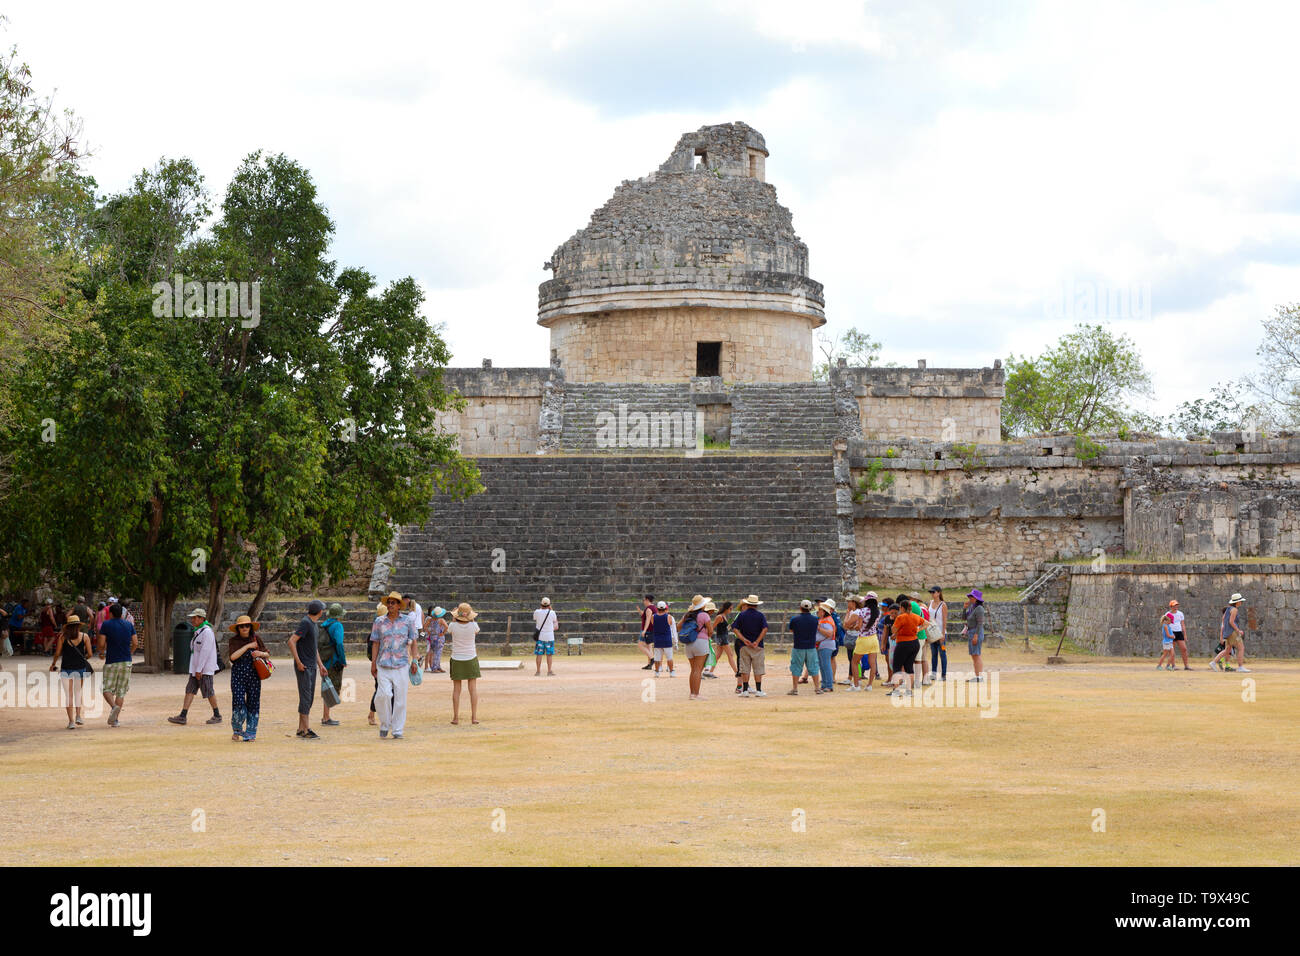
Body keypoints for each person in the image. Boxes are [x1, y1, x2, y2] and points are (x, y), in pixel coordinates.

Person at [370, 591, 419, 738]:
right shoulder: (379, 621)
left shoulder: (407, 621)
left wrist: (415, 660)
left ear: (399, 606)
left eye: (393, 603)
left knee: (400, 699)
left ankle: (397, 730)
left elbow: (414, 641)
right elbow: (375, 643)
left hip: (402, 664)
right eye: (388, 603)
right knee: (383, 695)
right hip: (383, 663)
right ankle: (385, 724)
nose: (390, 605)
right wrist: (373, 664)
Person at [168, 608, 223, 725]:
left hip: (204, 669)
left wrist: (199, 669)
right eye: (192, 617)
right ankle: (183, 715)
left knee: (208, 691)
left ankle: (217, 715)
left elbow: (205, 652)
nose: (192, 620)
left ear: (201, 618)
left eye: (194, 617)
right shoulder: (199, 631)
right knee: (190, 690)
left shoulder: (207, 632)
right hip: (196, 668)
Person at [287, 599, 328, 739]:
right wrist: (298, 662)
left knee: (308, 697)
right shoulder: (306, 623)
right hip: (304, 666)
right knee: (306, 697)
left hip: (311, 665)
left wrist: (320, 665)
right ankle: (306, 729)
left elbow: (314, 647)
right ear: (320, 611)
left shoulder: (314, 625)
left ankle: (300, 728)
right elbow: (291, 641)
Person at [227, 615, 269, 741]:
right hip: (238, 676)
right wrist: (248, 646)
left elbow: (267, 653)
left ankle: (251, 732)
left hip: (254, 676)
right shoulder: (233, 641)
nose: (244, 628)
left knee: (253, 703)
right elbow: (232, 657)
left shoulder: (257, 638)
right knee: (238, 703)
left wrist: (260, 653)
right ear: (238, 628)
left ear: (250, 627)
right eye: (241, 626)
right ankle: (237, 729)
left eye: (247, 625)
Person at [97, 602, 137, 726]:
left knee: (106, 689)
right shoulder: (129, 625)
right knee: (121, 692)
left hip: (112, 661)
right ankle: (115, 720)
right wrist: (130, 653)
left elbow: (102, 644)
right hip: (126, 661)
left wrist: (101, 652)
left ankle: (114, 707)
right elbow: (135, 643)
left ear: (111, 613)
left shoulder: (106, 624)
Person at [50, 615, 92, 729]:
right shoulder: (85, 636)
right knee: (78, 692)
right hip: (80, 668)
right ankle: (78, 715)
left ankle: (71, 722)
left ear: (67, 627)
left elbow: (57, 653)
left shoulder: (62, 637)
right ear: (79, 625)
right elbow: (90, 654)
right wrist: (82, 659)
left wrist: (53, 664)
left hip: (66, 669)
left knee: (68, 695)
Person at [447, 602, 482, 725]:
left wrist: (454, 618)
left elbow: (450, 630)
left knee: (457, 689)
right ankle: (474, 717)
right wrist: (470, 620)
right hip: (470, 657)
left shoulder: (452, 625)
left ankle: (455, 717)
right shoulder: (473, 626)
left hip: (457, 658)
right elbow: (476, 630)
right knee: (472, 689)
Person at [887, 595, 925, 697]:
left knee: (897, 666)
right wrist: (918, 629)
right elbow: (926, 623)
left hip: (903, 643)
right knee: (909, 667)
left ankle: (896, 690)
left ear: (902, 608)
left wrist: (896, 627)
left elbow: (893, 630)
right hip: (914, 642)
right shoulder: (915, 617)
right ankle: (909, 691)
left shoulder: (901, 617)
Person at [678, 595, 713, 700]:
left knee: (693, 670)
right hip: (701, 642)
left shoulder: (687, 615)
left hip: (689, 643)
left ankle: (692, 693)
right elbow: (710, 630)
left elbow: (678, 627)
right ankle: (696, 694)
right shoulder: (704, 615)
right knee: (698, 670)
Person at [733, 594, 768, 697]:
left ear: (747, 604)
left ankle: (744, 690)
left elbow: (734, 628)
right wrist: (757, 641)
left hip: (744, 645)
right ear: (756, 605)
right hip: (758, 646)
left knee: (745, 668)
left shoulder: (742, 615)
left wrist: (743, 639)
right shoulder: (760, 615)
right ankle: (758, 690)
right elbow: (765, 629)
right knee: (758, 668)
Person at [319, 603, 347, 725]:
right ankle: (326, 717)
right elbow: (339, 644)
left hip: (324, 659)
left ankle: (325, 715)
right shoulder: (337, 626)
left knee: (326, 686)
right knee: (332, 687)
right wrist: (343, 660)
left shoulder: (323, 625)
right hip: (334, 661)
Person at [786, 600, 821, 695]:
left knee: (796, 667)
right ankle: (817, 688)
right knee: (813, 667)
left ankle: (795, 689)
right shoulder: (815, 619)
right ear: (810, 608)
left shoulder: (794, 619)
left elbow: (792, 630)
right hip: (811, 646)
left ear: (800, 607)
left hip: (798, 646)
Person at [1210, 594, 1250, 673]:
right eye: (1240, 601)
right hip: (1232, 632)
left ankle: (1213, 662)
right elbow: (1231, 622)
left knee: (1227, 650)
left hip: (1228, 632)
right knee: (1241, 648)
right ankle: (1240, 667)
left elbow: (1223, 619)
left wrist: (1225, 630)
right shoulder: (1234, 610)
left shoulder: (1228, 609)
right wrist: (1238, 630)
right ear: (1237, 602)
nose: (1241, 602)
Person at [851, 593, 881, 692]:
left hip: (863, 639)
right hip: (873, 638)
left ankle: (856, 685)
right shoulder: (878, 612)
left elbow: (859, 627)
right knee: (873, 664)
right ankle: (869, 685)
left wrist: (853, 627)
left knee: (855, 662)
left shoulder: (862, 611)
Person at [703, 600, 737, 683]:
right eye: (730, 609)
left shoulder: (724, 616)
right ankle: (737, 672)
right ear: (726, 608)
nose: (731, 610)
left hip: (723, 636)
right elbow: (712, 627)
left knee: (717, 656)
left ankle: (709, 672)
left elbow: (725, 628)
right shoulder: (720, 617)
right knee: (730, 654)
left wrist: (730, 625)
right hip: (722, 638)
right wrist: (708, 636)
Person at [368, 600, 387, 725]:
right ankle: (371, 714)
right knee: (379, 689)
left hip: (387, 664)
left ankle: (374, 714)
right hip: (381, 665)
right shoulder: (378, 630)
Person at [962, 589, 987, 682]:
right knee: (974, 655)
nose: (969, 598)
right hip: (971, 632)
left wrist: (976, 635)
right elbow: (964, 618)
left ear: (976, 599)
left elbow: (980, 623)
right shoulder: (972, 607)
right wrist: (964, 608)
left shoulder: (979, 609)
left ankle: (979, 677)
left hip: (976, 632)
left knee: (976, 654)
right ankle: (977, 676)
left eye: (971, 597)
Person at [841, 595, 864, 690]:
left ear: (853, 602)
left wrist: (847, 615)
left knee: (854, 659)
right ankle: (853, 677)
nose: (847, 603)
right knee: (852, 659)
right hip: (852, 637)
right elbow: (846, 626)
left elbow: (846, 624)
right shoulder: (854, 612)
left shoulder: (856, 612)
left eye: (849, 601)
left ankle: (857, 678)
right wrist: (848, 625)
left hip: (854, 638)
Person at [927, 587, 948, 682]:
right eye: (931, 592)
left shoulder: (943, 605)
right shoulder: (930, 603)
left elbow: (944, 620)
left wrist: (943, 634)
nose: (932, 594)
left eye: (933, 592)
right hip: (932, 632)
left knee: (942, 653)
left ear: (939, 593)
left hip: (940, 632)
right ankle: (934, 673)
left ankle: (943, 675)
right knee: (934, 654)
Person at [533, 596, 559, 676]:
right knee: (549, 654)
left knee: (539, 654)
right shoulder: (552, 612)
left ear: (541, 604)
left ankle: (538, 671)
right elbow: (556, 624)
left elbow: (535, 619)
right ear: (549, 604)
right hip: (549, 636)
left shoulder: (537, 612)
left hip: (540, 636)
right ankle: (549, 671)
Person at [649, 600, 675, 677]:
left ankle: (657, 672)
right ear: (665, 608)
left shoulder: (653, 617)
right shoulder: (669, 616)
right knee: (669, 657)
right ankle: (671, 671)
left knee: (657, 658)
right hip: (667, 639)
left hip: (657, 639)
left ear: (657, 608)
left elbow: (653, 624)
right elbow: (671, 626)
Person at [1167, 599, 1190, 670]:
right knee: (1172, 650)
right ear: (1171, 606)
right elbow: (1165, 625)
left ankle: (1186, 666)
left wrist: (1185, 634)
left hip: (1179, 632)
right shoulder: (1167, 614)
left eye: (1177, 605)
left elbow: (1182, 624)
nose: (1176, 606)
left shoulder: (1180, 613)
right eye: (1174, 605)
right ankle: (1173, 666)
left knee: (1184, 649)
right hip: (1171, 632)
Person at [425, 606, 448, 672]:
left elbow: (425, 626)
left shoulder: (430, 619)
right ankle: (435, 667)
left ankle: (436, 667)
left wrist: (429, 632)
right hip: (439, 638)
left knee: (434, 652)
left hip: (432, 637)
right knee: (438, 653)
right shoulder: (441, 620)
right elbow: (446, 627)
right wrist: (443, 633)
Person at [637, 595, 656, 670]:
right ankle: (649, 664)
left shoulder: (649, 609)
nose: (643, 601)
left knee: (640, 645)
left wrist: (644, 630)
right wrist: (640, 611)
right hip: (651, 630)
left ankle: (652, 659)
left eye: (644, 600)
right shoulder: (653, 607)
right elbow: (645, 616)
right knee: (649, 646)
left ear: (647, 600)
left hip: (647, 630)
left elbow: (648, 620)